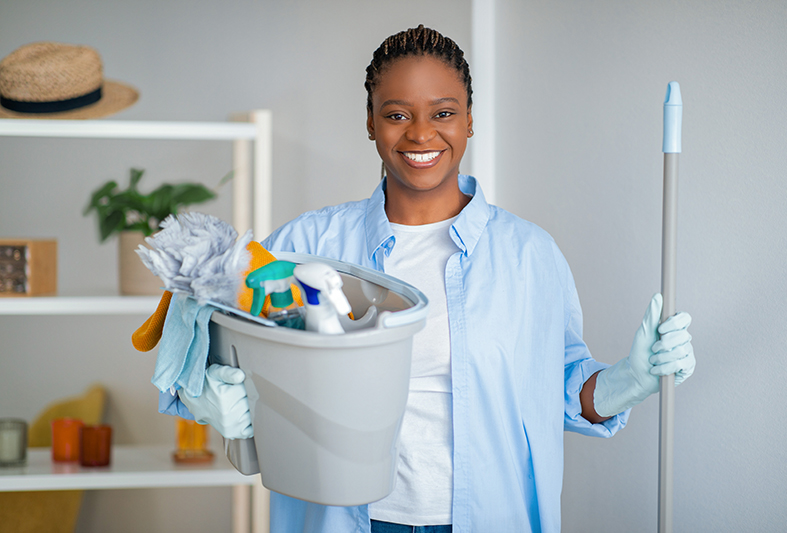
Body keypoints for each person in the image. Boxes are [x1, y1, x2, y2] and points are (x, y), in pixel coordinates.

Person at [164, 25, 696, 533]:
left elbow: (560, 387)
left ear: (468, 121)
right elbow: (214, 341)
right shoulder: (307, 246)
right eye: (397, 114)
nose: (421, 134)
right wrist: (206, 394)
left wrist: (630, 379)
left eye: (443, 112)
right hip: (339, 519)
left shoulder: (528, 255)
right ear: (370, 123)